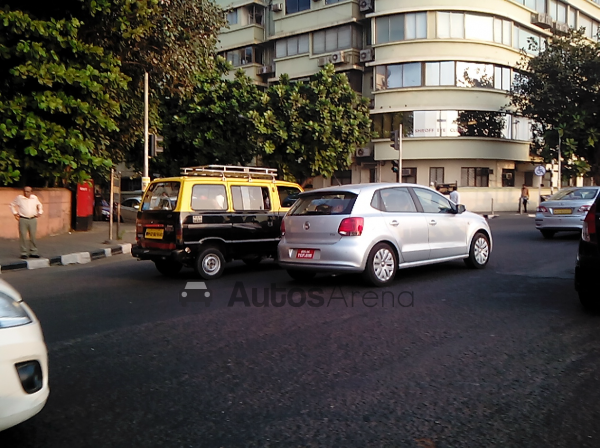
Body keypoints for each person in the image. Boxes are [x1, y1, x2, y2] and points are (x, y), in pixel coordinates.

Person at [10, 186, 43, 259]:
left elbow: (39, 205)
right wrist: (15, 213)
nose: (26, 193)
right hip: (23, 218)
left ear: (31, 192)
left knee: (33, 236)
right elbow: (12, 205)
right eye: (25, 191)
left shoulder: (34, 198)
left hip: (33, 218)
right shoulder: (19, 198)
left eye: (28, 191)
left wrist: (40, 212)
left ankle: (33, 251)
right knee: (23, 236)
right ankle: (23, 252)